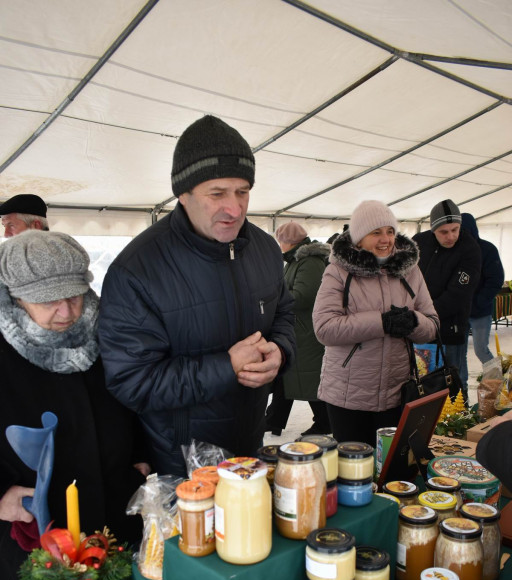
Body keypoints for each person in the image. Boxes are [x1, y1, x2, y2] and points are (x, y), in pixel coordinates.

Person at [0, 231, 149, 580]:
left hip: (109, 501)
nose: (66, 311)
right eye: (48, 301)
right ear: (14, 297)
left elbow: (131, 398)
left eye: (75, 295)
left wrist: (140, 453)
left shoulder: (105, 331)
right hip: (32, 522)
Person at [98, 115, 295, 474]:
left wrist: (281, 351)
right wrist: (226, 367)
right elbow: (132, 382)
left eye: (242, 192)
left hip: (250, 449)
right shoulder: (137, 269)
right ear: (183, 194)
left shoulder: (266, 249)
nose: (234, 209)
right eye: (217, 194)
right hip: (181, 466)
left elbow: (285, 312)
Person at [313, 200, 439, 446]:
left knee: (390, 469)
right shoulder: (338, 271)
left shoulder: (410, 271)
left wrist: (413, 321)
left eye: (390, 231)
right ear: (359, 238)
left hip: (396, 392)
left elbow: (432, 324)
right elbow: (325, 328)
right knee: (352, 470)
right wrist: (381, 322)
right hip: (347, 396)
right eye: (376, 232)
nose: (386, 239)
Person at [265, 221, 331, 437]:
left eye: (280, 241)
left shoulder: (309, 262)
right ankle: (273, 419)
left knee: (310, 380)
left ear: (288, 241)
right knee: (287, 376)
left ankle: (324, 422)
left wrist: (273, 297)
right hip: (295, 329)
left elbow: (303, 296)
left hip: (307, 332)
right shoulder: (295, 260)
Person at [413, 200, 481, 400]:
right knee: (423, 383)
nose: (451, 236)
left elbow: (457, 295)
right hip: (420, 332)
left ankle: (457, 425)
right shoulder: (419, 242)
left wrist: (424, 317)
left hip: (450, 331)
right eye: (444, 231)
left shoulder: (470, 249)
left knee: (453, 384)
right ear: (433, 229)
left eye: (455, 229)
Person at [459, 213, 505, 386]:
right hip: (460, 313)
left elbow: (495, 280)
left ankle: (498, 382)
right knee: (459, 351)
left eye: (464, 231)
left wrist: (479, 301)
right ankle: (461, 386)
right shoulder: (457, 251)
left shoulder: (487, 249)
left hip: (480, 312)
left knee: (480, 349)